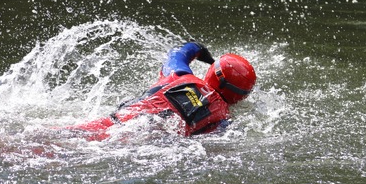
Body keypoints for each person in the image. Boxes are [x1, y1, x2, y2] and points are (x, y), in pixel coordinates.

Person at [68, 41, 256, 140]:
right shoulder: (222, 120)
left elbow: (178, 53)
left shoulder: (178, 75)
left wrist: (198, 48)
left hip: (117, 122)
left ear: (213, 73)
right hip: (147, 141)